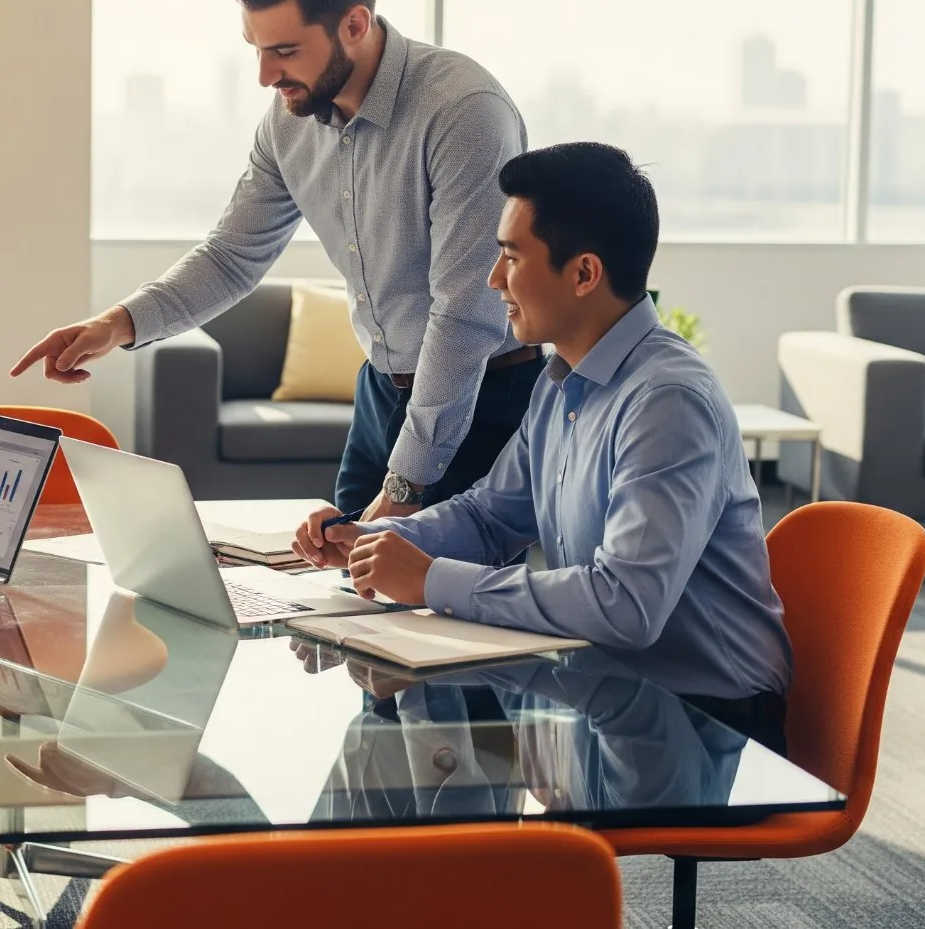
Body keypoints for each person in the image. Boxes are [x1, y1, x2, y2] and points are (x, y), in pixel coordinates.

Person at [11, 0, 537, 521]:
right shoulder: (288, 119)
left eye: (285, 51)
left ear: (355, 24)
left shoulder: (462, 111)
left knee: (443, 611)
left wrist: (405, 486)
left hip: (481, 398)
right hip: (380, 393)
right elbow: (233, 255)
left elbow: (465, 312)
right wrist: (115, 325)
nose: (266, 75)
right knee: (348, 606)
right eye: (257, 49)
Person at [293, 142, 793, 748]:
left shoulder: (668, 401)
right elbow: (489, 516)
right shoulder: (561, 384)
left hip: (705, 718)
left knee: (456, 788)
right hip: (604, 686)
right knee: (431, 753)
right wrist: (372, 541)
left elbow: (626, 604)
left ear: (584, 273)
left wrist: (430, 581)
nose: (493, 279)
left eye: (510, 257)